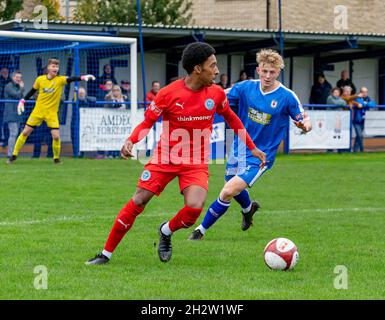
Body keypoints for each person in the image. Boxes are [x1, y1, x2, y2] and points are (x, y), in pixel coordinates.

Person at [85, 42, 266, 265]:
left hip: (196, 161)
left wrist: (252, 146)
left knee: (193, 209)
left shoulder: (217, 94)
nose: (217, 70)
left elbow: (232, 118)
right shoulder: (168, 94)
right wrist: (131, 140)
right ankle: (105, 254)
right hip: (166, 157)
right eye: (213, 65)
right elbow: (148, 122)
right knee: (139, 200)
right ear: (197, 69)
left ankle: (166, 231)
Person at [188, 49, 312, 240]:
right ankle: (248, 209)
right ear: (258, 70)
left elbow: (304, 118)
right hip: (239, 147)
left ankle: (200, 231)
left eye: (272, 72)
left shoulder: (287, 96)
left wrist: (305, 126)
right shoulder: (245, 88)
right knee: (233, 186)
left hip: (260, 156)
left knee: (228, 190)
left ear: (278, 72)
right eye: (265, 71)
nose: (268, 76)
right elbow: (218, 95)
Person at [6, 58, 95, 164]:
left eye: (57, 66)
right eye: (53, 66)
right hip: (38, 111)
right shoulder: (40, 79)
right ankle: (14, 156)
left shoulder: (60, 80)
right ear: (48, 68)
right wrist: (22, 100)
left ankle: (56, 159)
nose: (55, 68)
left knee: (56, 136)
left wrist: (83, 77)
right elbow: (32, 91)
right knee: (25, 132)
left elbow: (71, 79)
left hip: (51, 113)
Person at [3, 71, 24, 158]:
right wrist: (22, 88)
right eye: (17, 77)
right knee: (13, 133)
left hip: (18, 114)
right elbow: (16, 95)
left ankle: (13, 153)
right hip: (10, 114)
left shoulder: (18, 86)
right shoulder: (8, 86)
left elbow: (21, 97)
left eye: (20, 77)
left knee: (17, 134)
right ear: (13, 77)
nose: (18, 79)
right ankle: (10, 154)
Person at [352, 87, 376, 152]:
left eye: (366, 92)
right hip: (357, 120)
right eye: (363, 92)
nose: (365, 93)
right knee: (359, 135)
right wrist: (367, 104)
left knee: (358, 136)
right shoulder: (357, 97)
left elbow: (373, 105)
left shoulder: (368, 98)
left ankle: (355, 150)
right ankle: (362, 149)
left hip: (364, 120)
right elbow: (359, 103)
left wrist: (365, 104)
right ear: (360, 92)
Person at [0, 67, 11, 147]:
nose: (4, 72)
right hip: (1, 104)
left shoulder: (11, 80)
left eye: (6, 71)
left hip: (9, 105)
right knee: (1, 122)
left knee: (7, 122)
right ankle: (2, 138)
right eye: (3, 71)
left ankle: (7, 139)